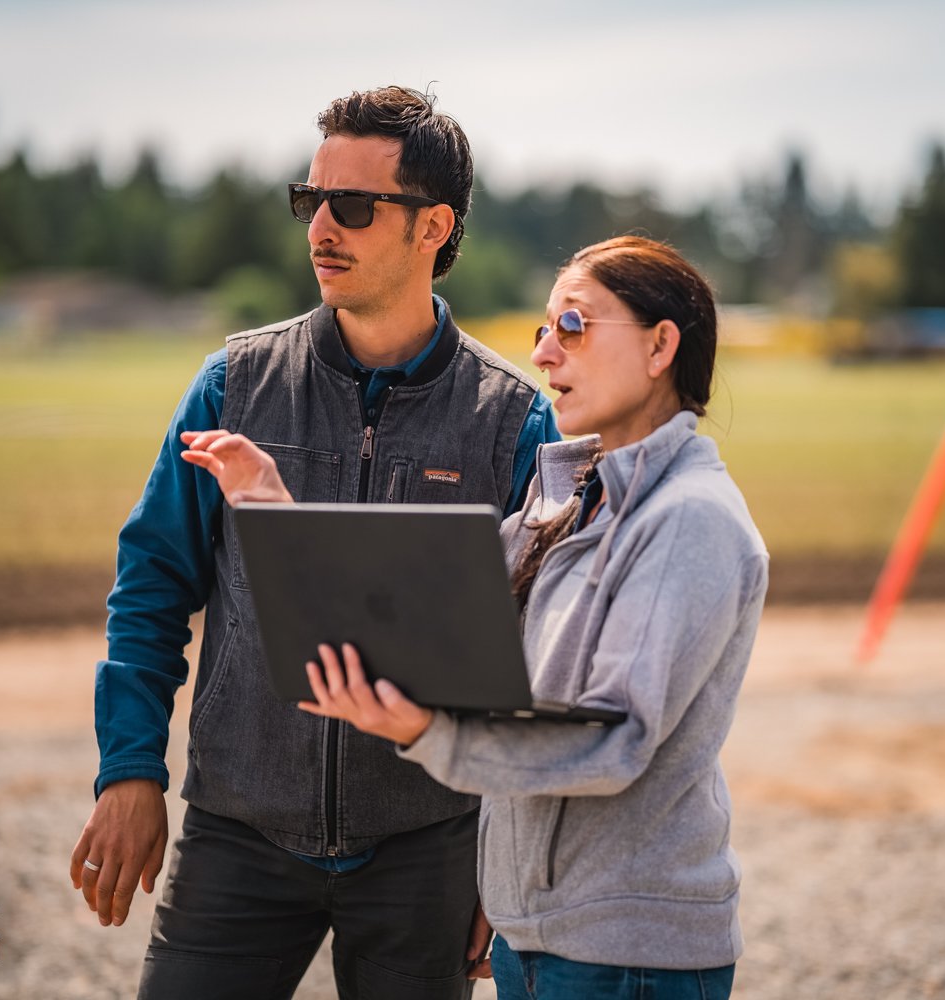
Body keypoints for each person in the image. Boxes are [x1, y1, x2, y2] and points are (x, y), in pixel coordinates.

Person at [68, 85, 558, 1000]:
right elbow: (151, 584)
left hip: (431, 844)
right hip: (238, 831)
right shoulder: (232, 386)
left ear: (432, 228)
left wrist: (511, 852)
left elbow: (537, 656)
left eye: (354, 205)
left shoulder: (515, 423)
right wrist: (129, 768)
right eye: (311, 199)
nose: (320, 226)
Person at [207, 236, 769, 1000]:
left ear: (660, 345)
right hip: (539, 942)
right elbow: (418, 607)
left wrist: (425, 734)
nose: (544, 354)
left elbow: (613, 740)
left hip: (629, 955)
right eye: (542, 330)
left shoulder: (689, 519)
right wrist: (278, 516)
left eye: (572, 326)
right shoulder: (567, 500)